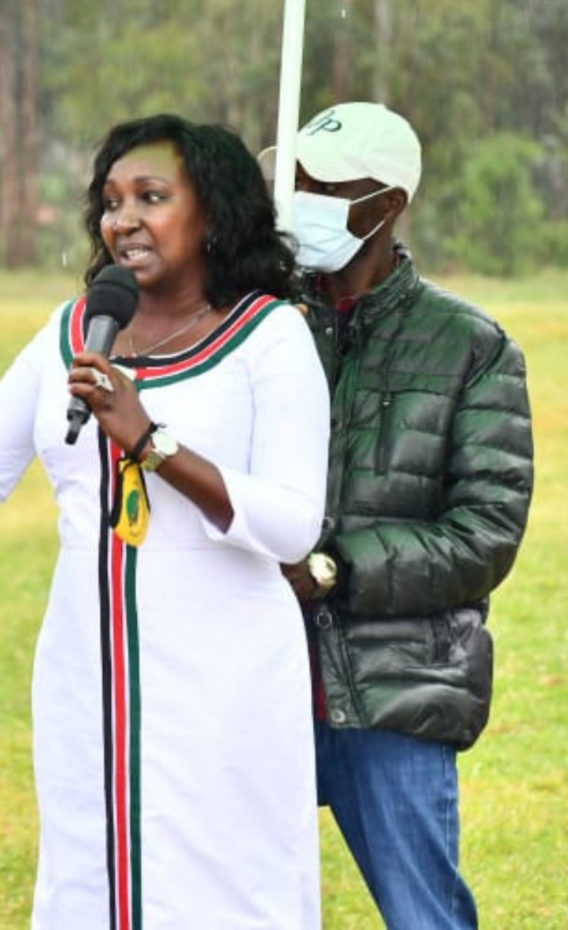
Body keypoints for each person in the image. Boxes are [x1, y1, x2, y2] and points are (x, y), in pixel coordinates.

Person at [0, 113, 331, 930]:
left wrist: (153, 442)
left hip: (224, 677)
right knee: (94, 875)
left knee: (222, 883)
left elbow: (295, 525)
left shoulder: (270, 339)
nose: (122, 220)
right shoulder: (72, 331)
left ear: (214, 215)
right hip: (86, 669)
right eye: (112, 201)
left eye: (152, 197)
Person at [277, 102, 534, 929]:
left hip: (396, 687)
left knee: (424, 916)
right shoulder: (261, 324)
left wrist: (335, 568)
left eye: (326, 187)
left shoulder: (471, 346)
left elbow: (485, 532)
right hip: (255, 677)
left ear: (385, 205)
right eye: (296, 182)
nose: (302, 201)